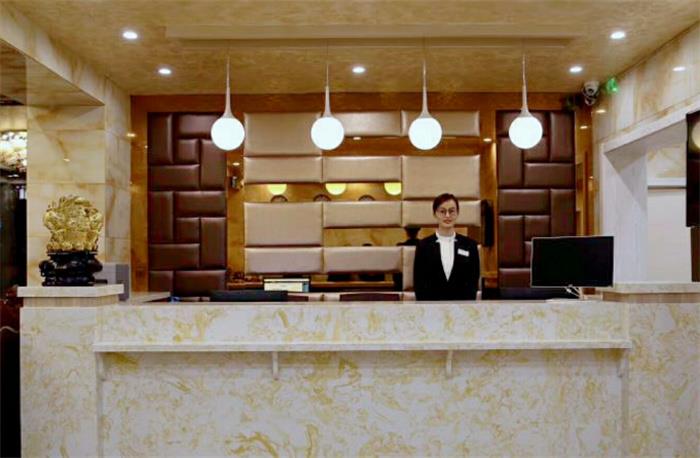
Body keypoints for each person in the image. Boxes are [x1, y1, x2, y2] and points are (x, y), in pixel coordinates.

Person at [413, 193, 480, 300]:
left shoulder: (470, 245)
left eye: (451, 211)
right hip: (432, 307)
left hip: (462, 307)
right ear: (435, 214)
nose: (447, 215)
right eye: (442, 211)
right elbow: (419, 284)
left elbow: (473, 283)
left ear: (457, 213)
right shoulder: (423, 246)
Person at [393, 226, 421, 291]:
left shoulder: (400, 247)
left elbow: (396, 271)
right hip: (420, 284)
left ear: (406, 232)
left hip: (402, 284)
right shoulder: (424, 245)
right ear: (418, 231)